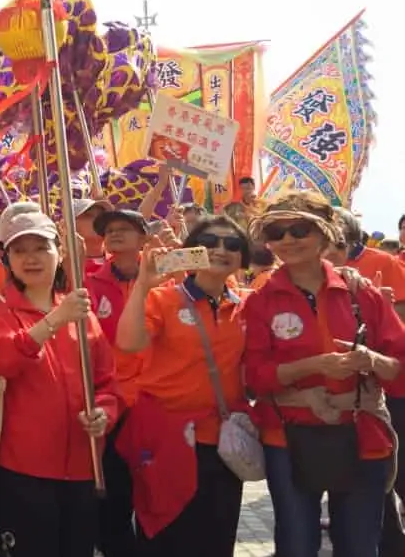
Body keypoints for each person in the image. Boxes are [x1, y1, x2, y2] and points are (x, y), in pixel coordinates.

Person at [244, 192, 405, 557]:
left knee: (360, 545)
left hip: (363, 432)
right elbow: (254, 376)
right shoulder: (259, 301)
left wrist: (371, 360)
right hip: (288, 435)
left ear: (325, 233)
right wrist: (314, 366)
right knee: (297, 544)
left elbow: (399, 365)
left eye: (299, 229)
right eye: (276, 231)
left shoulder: (363, 293)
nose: (287, 240)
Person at [0, 204, 120, 557]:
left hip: (83, 466)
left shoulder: (80, 312)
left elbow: (107, 382)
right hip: (23, 468)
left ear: (59, 252)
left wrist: (104, 413)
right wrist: (53, 320)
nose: (31, 258)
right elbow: (4, 361)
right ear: (7, 260)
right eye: (19, 251)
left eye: (41, 248)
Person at [115, 215, 254, 555]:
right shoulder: (162, 298)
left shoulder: (250, 305)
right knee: (164, 537)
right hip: (166, 443)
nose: (220, 249)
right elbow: (129, 343)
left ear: (243, 258)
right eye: (209, 242)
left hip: (222, 444)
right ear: (190, 250)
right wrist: (144, 285)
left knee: (216, 540)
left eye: (232, 245)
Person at [87, 209, 153, 557]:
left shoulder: (168, 279)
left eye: (124, 229)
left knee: (154, 493)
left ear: (144, 237)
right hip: (112, 404)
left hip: (155, 402)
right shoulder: (89, 285)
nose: (114, 235)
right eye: (109, 230)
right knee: (113, 494)